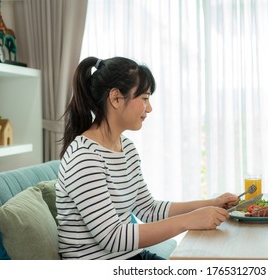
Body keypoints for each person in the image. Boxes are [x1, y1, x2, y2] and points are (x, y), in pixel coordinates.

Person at [56, 56, 238, 260]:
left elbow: (148, 209)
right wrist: (189, 220)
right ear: (116, 98)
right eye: (144, 98)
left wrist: (210, 203)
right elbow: (112, 237)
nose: (149, 108)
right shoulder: (84, 156)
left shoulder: (127, 149)